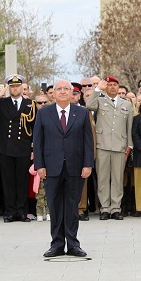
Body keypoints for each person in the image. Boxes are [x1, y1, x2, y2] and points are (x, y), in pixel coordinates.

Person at [32, 79, 94, 258]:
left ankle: (73, 244)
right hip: (51, 167)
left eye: (66, 89)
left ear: (72, 92)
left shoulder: (81, 113)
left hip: (75, 167)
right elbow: (38, 142)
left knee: (72, 206)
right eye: (58, 89)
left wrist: (87, 163)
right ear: (53, 93)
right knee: (55, 205)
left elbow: (88, 141)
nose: (62, 92)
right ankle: (57, 244)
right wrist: (40, 165)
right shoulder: (44, 113)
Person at [0, 74, 36, 223]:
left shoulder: (30, 104)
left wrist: (32, 149)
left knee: (22, 181)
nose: (15, 88)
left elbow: (34, 128)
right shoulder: (2, 103)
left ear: (22, 87)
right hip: (5, 147)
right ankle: (10, 212)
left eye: (17, 86)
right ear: (8, 88)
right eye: (12, 86)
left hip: (23, 147)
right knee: (8, 181)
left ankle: (22, 212)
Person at [85, 76, 134, 220]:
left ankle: (116, 208)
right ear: (106, 87)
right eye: (109, 85)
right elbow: (89, 105)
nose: (112, 87)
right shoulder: (99, 100)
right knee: (103, 178)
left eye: (115, 85)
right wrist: (97, 89)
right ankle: (105, 208)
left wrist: (129, 144)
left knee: (118, 179)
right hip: (103, 145)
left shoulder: (127, 104)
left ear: (119, 88)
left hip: (120, 145)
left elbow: (129, 126)